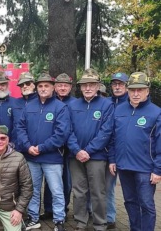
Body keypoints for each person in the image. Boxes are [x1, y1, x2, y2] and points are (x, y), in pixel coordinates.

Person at [108, 72, 161, 231]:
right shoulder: (119, 110)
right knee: (130, 202)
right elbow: (113, 137)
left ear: (147, 91)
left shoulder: (156, 112)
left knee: (146, 205)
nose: (136, 94)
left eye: (140, 90)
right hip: (124, 167)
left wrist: (158, 169)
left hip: (145, 169)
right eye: (132, 90)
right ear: (128, 90)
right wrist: (112, 159)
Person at [18, 73, 70, 231]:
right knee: (32, 189)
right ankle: (33, 217)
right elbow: (20, 128)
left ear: (53, 88)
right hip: (31, 157)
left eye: (46, 86)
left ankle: (59, 220)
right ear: (36, 87)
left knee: (56, 190)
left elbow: (61, 134)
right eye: (40, 86)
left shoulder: (60, 107)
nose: (43, 88)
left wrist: (41, 148)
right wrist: (28, 146)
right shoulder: (29, 106)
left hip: (52, 158)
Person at [67, 68, 114, 231]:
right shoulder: (73, 105)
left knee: (98, 191)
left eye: (92, 85)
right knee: (79, 191)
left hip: (97, 156)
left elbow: (106, 132)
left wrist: (88, 150)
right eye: (84, 85)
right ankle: (80, 222)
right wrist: (77, 150)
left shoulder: (107, 105)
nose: (88, 88)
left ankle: (100, 223)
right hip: (76, 156)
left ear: (97, 87)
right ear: (80, 87)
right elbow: (68, 130)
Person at [41, 73, 76, 220]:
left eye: (65, 85)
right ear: (55, 87)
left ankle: (63, 209)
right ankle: (49, 209)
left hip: (68, 149)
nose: (62, 88)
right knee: (50, 181)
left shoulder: (75, 103)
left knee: (66, 182)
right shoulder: (49, 101)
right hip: (52, 148)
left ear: (70, 87)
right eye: (60, 85)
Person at [105, 72, 128, 229]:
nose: (117, 86)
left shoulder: (133, 102)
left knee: (131, 192)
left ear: (127, 86)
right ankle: (109, 217)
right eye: (115, 84)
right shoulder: (106, 102)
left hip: (127, 153)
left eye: (121, 84)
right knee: (108, 187)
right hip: (108, 152)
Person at [0, 71, 20, 144]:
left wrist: (13, 143)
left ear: (7, 85)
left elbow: (18, 126)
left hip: (11, 144)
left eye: (3, 84)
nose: (0, 87)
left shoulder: (15, 102)